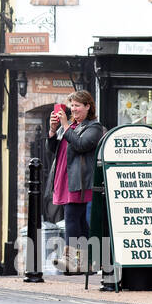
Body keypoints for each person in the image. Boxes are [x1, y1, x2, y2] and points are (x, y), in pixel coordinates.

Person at [47, 90, 104, 274]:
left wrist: (64, 125)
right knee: (79, 222)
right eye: (72, 105)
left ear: (88, 106)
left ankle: (70, 259)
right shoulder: (70, 126)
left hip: (78, 180)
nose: (74, 109)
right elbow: (53, 149)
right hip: (65, 177)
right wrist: (52, 130)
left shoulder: (94, 127)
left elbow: (80, 145)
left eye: (78, 105)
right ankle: (91, 262)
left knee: (71, 216)